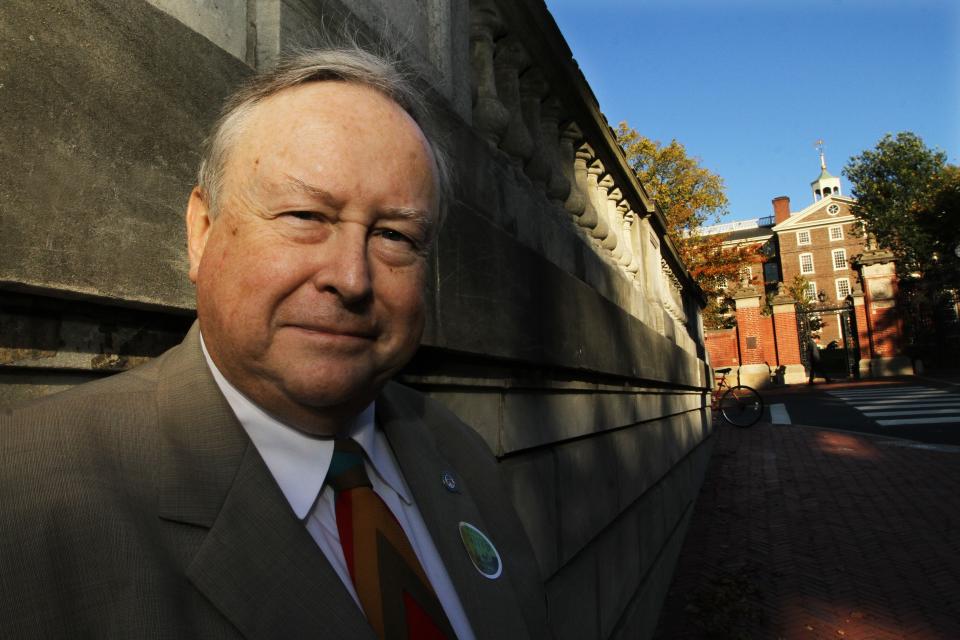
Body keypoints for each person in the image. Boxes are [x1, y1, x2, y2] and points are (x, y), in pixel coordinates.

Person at [0, 47, 549, 639]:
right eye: (306, 216)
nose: (352, 278)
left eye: (393, 234)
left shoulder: (461, 454)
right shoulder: (30, 493)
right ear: (202, 232)